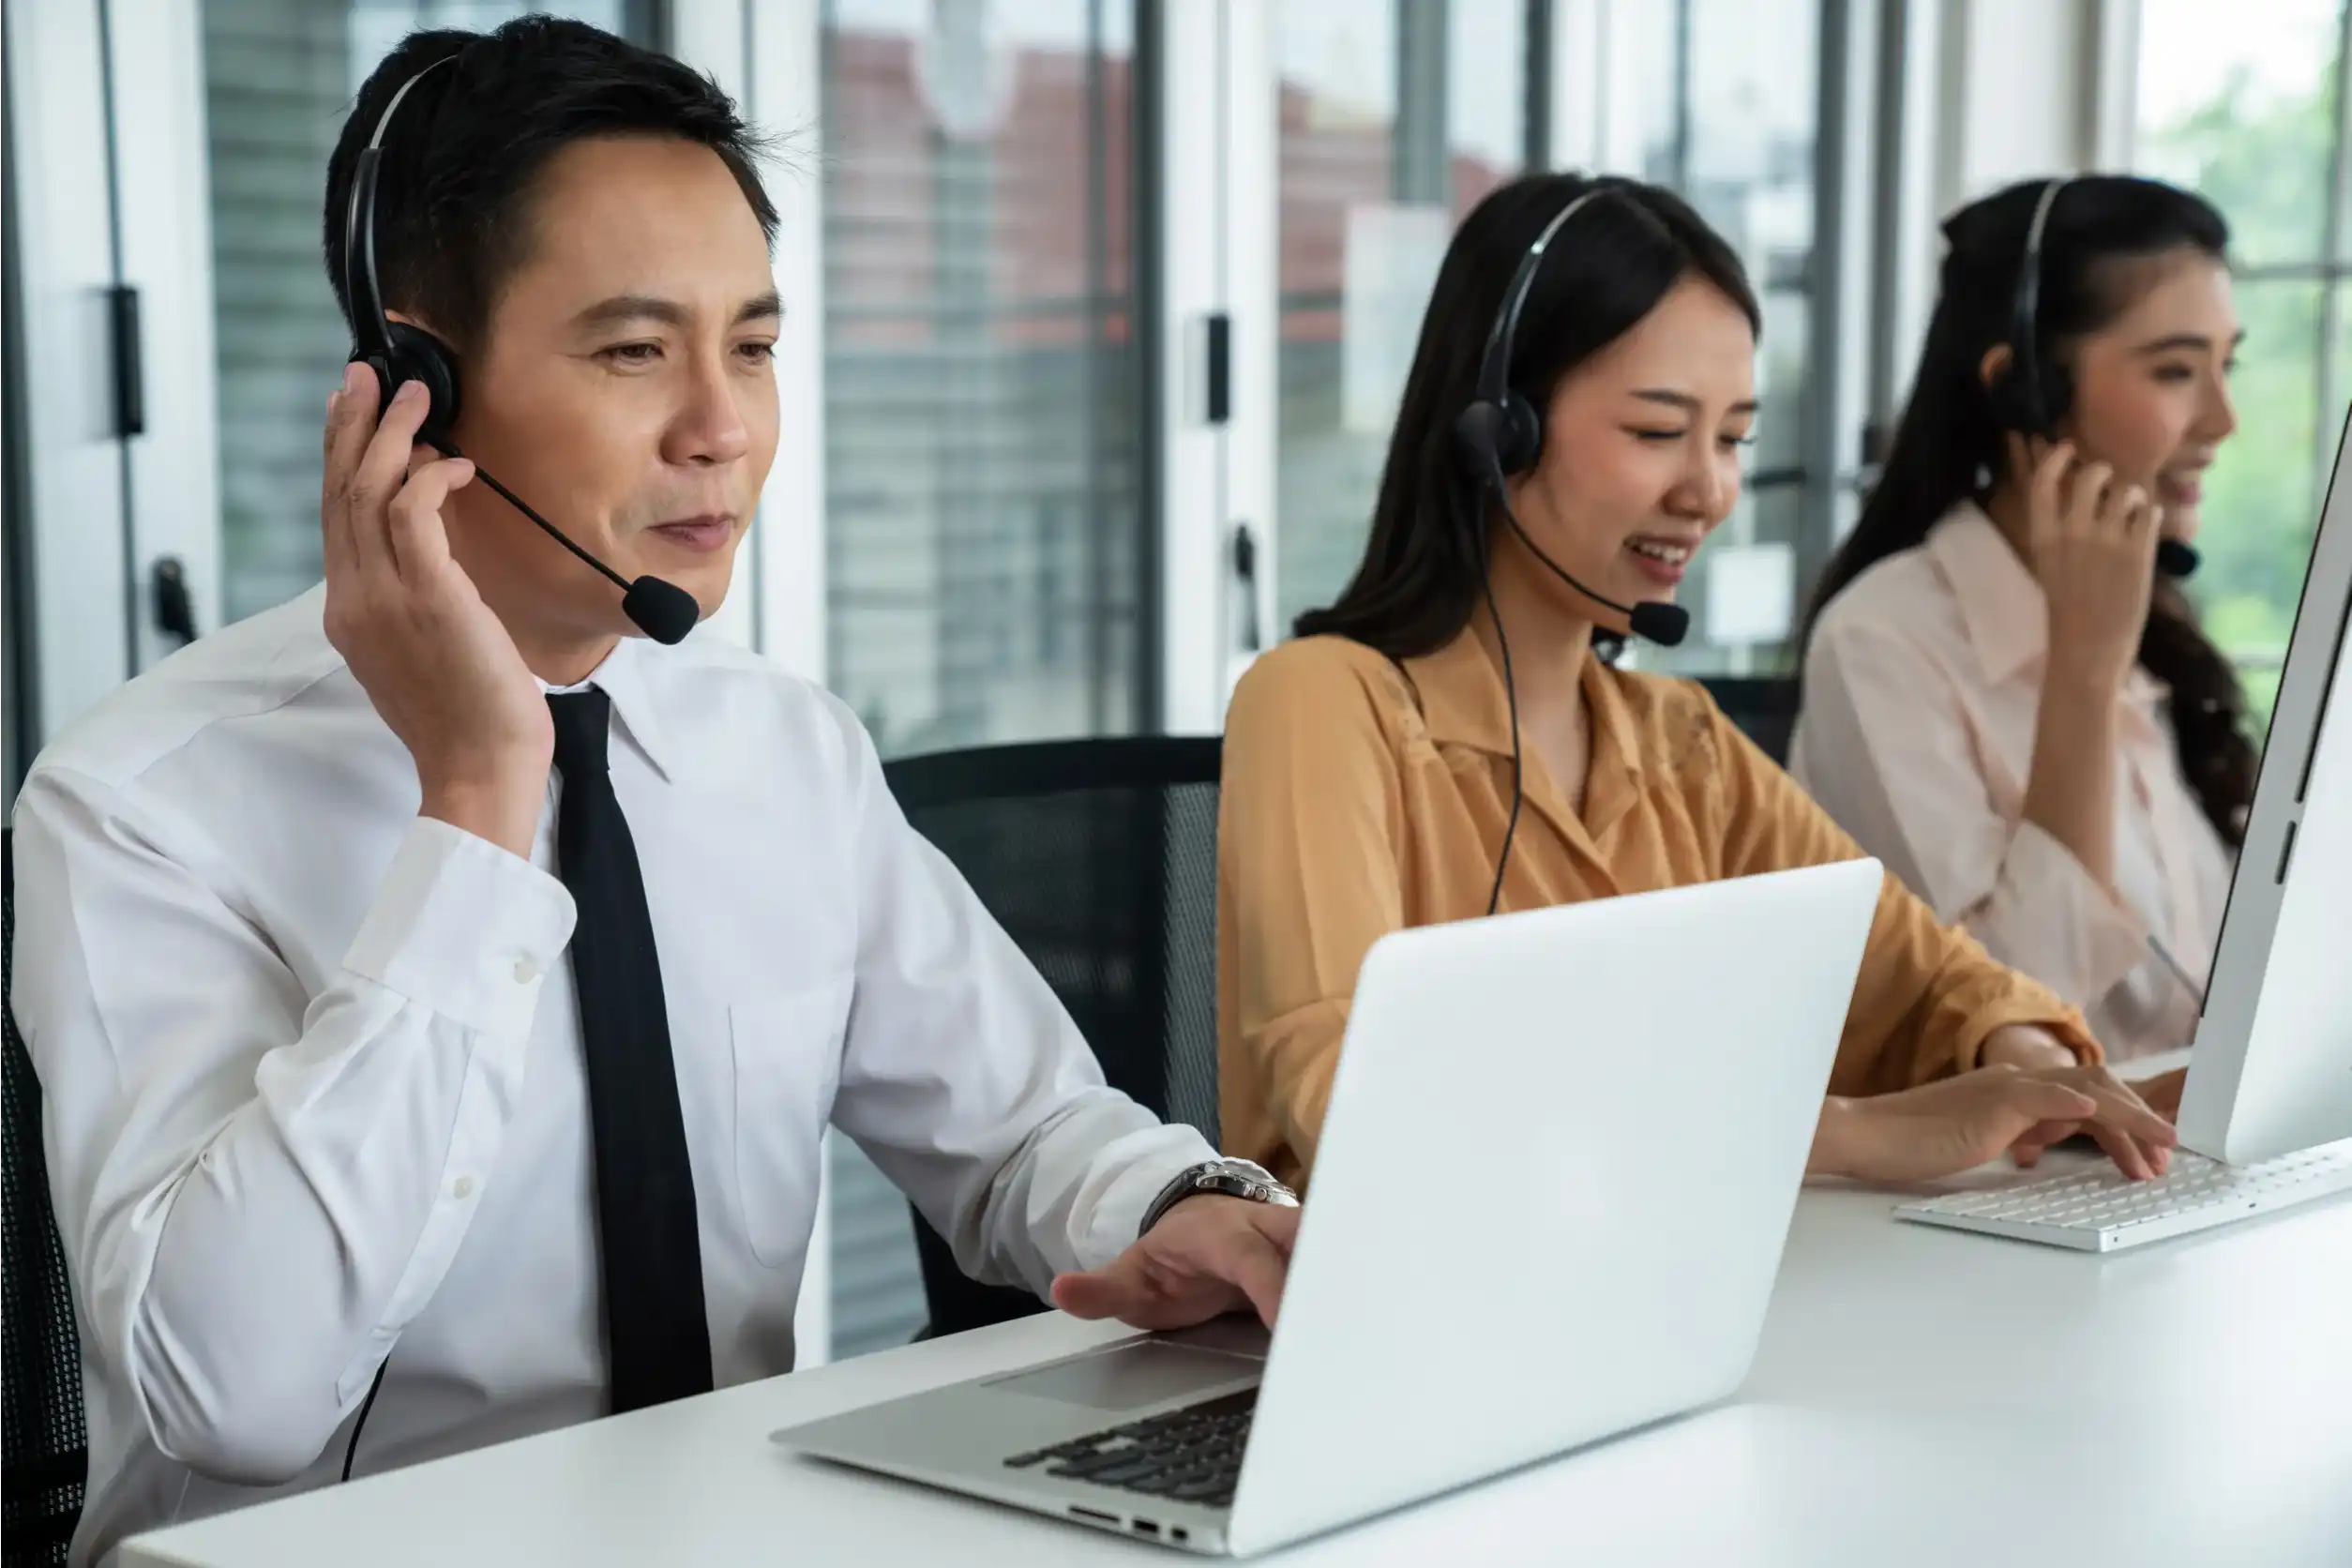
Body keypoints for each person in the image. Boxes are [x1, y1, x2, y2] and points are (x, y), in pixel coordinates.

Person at [8, 23, 1294, 1565]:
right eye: (635, 349)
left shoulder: (780, 749)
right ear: (422, 386)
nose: (724, 426)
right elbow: (235, 1397)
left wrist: (1181, 1206)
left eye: (749, 343)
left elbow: (1023, 1131)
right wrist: (477, 800)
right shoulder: (144, 799)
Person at [1216, 172, 2179, 1197]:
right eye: (1658, 432)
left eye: (1732, 440)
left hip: (1663, 1297)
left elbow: (1932, 985)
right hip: (1396, 1326)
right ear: (1499, 431)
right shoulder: (1322, 703)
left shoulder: (1681, 743)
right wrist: (1846, 1133)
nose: (1709, 491)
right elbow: (1370, 1104)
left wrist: (2033, 1071)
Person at [1792, 175, 2249, 1085]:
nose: (2222, 421)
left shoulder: (2148, 625)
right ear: (2024, 394)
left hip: (2171, 1186)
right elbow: (1999, 1032)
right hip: (1996, 1211)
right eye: (2173, 370)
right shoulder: (1881, 643)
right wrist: (2082, 673)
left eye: (2225, 366)